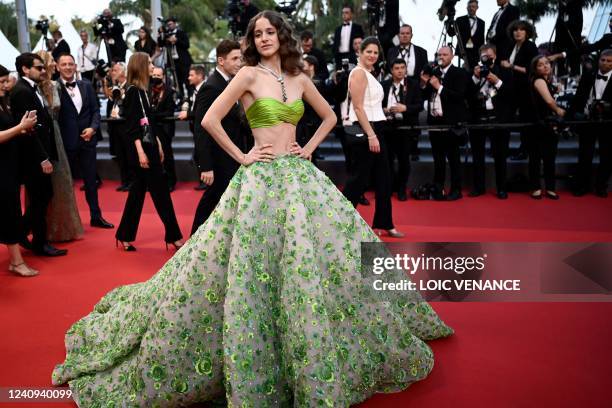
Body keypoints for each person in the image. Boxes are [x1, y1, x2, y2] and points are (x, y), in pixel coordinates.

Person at [53, 11, 453, 406]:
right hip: (260, 182)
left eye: (269, 31)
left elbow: (330, 115)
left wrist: (308, 148)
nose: (263, 38)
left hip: (299, 177)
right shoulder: (246, 76)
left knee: (326, 257)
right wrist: (243, 155)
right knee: (258, 265)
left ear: (282, 35)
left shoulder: (298, 78)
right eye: (257, 33)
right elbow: (209, 119)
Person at [114, 52, 183, 251]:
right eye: (150, 63)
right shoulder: (134, 91)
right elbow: (132, 127)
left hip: (150, 146)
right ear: (141, 66)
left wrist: (159, 143)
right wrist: (141, 153)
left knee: (137, 193)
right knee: (161, 192)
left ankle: (124, 235)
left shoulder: (143, 90)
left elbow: (149, 122)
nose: (153, 66)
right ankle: (174, 236)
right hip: (142, 150)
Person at [342, 37, 404, 238]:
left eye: (376, 53)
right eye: (368, 51)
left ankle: (385, 223)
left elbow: (370, 104)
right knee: (360, 178)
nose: (372, 55)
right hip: (366, 129)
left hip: (377, 125)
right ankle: (338, 218)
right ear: (359, 52)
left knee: (384, 179)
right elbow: (358, 107)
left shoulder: (370, 74)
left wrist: (383, 111)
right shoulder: (359, 73)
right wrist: (371, 135)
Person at [10, 53, 67, 257]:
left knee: (41, 198)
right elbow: (29, 130)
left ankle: (20, 233)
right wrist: (43, 157)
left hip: (39, 153)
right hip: (34, 156)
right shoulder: (22, 92)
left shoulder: (30, 89)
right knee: (40, 198)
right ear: (25, 69)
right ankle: (38, 242)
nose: (43, 71)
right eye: (39, 67)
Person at [191, 39, 245, 234]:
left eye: (241, 58)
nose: (240, 62)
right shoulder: (212, 86)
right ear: (221, 61)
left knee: (220, 200)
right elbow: (200, 128)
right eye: (235, 58)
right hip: (218, 158)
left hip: (231, 155)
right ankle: (195, 239)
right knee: (212, 199)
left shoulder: (230, 83)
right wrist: (206, 165)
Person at [56, 53, 114, 228]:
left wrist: (93, 128)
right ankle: (68, 221)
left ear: (75, 66)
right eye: (64, 64)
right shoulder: (53, 87)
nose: (67, 67)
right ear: (58, 67)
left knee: (91, 182)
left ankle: (96, 216)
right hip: (65, 143)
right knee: (65, 185)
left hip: (88, 140)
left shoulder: (87, 85)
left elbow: (96, 111)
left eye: (70, 64)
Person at [36, 51, 84, 242]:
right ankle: (46, 230)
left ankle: (64, 229)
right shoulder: (34, 89)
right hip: (44, 137)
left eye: (48, 65)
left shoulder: (56, 86)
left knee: (63, 184)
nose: (50, 68)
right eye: (46, 65)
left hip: (59, 138)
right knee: (47, 186)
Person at [0, 64, 40, 276]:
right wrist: (19, 128)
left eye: (7, 80)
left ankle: (15, 260)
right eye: (1, 82)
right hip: (2, 171)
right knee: (10, 212)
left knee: (10, 211)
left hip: (9, 167)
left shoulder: (3, 103)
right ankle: (16, 261)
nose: (7, 85)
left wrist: (21, 130)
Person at [420, 46, 469, 201]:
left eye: (444, 54)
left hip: (451, 123)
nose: (441, 57)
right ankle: (438, 188)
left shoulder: (459, 73)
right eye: (439, 54)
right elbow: (424, 95)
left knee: (454, 159)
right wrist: (423, 83)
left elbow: (459, 97)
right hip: (434, 122)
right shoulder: (433, 72)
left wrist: (439, 87)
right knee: (438, 159)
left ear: (452, 56)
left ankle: (456, 190)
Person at [467, 44, 514, 199]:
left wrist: (497, 81)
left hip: (499, 118)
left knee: (500, 156)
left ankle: (501, 188)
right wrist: (475, 77)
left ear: (495, 55)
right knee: (477, 156)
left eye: (489, 55)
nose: (487, 58)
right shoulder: (474, 72)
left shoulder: (505, 71)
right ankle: (479, 187)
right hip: (477, 118)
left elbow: (511, 94)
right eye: (484, 56)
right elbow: (466, 94)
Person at [568, 49, 612, 198]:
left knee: (607, 157)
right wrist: (572, 115)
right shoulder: (588, 75)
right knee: (585, 155)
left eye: (609, 61)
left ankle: (601, 186)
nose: (605, 63)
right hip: (588, 120)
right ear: (598, 60)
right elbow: (579, 96)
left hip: (608, 123)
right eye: (603, 60)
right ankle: (582, 186)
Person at [382, 58, 422, 201]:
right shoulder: (384, 85)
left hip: (405, 129)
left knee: (404, 161)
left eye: (402, 68)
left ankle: (401, 189)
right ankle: (391, 186)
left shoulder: (413, 84)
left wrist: (405, 108)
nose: (400, 70)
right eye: (397, 68)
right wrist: (384, 110)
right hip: (387, 128)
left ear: (405, 69)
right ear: (391, 70)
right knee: (388, 161)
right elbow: (376, 104)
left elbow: (419, 106)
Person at [526, 55, 565, 200]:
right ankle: (537, 188)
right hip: (539, 124)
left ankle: (549, 188)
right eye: (541, 65)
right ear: (535, 69)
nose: (545, 66)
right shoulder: (538, 80)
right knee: (536, 157)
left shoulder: (547, 81)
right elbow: (549, 101)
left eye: (547, 63)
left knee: (549, 158)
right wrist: (559, 111)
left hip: (547, 123)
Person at [501, 20, 538, 161]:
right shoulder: (512, 46)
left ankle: (524, 151)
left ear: (527, 32)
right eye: (515, 29)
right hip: (511, 88)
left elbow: (532, 69)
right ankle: (504, 149)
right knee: (506, 118)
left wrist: (512, 66)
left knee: (525, 121)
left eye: (521, 29)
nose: (518, 32)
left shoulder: (530, 46)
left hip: (526, 89)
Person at [178, 65, 207, 190]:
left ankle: (206, 182)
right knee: (198, 155)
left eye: (192, 75)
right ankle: (203, 181)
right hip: (195, 128)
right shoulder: (193, 90)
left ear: (200, 76)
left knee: (202, 154)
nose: (189, 78)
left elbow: (203, 111)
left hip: (204, 130)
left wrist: (188, 114)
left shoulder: (206, 89)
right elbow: (189, 102)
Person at [149, 66, 177, 191]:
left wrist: (154, 115)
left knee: (167, 156)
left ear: (163, 76)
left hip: (164, 128)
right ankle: (155, 182)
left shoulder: (169, 91)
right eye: (154, 75)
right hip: (151, 128)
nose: (155, 78)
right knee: (152, 155)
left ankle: (171, 181)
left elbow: (170, 112)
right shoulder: (148, 90)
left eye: (158, 76)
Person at [105, 62, 132, 191]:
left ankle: (132, 182)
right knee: (120, 156)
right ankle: (125, 181)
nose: (112, 73)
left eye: (115, 70)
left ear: (122, 72)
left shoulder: (129, 86)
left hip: (126, 127)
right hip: (116, 126)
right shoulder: (115, 88)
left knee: (129, 155)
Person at [157, 18, 192, 96]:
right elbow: (161, 44)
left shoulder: (181, 33)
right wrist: (160, 34)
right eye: (168, 25)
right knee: (177, 81)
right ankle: (181, 97)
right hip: (173, 62)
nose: (169, 26)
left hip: (183, 61)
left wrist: (176, 40)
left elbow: (187, 45)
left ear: (175, 24)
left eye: (171, 24)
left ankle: (190, 97)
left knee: (187, 80)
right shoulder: (167, 34)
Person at [453, 0, 486, 70]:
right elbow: (452, 33)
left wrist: (482, 52)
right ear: (467, 8)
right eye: (469, 6)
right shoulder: (460, 19)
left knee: (473, 72)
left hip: (475, 52)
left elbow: (481, 39)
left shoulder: (482, 22)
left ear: (477, 8)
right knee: (461, 71)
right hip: (462, 51)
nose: (471, 8)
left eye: (473, 7)